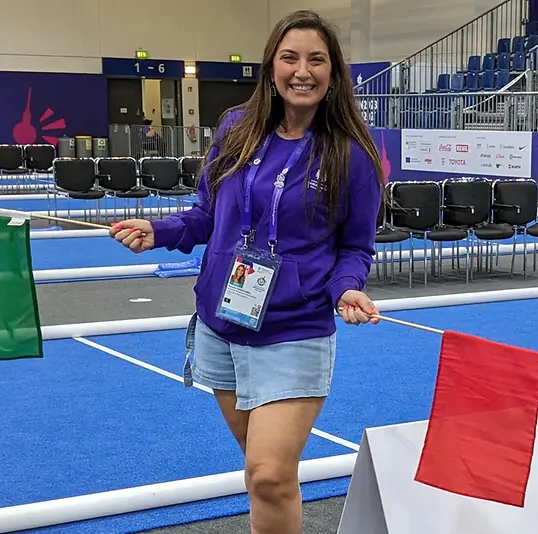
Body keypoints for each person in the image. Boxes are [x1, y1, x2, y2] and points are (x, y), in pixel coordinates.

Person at [109, 10, 385, 534]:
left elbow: (355, 247)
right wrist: (160, 231)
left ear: (334, 73)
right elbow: (207, 214)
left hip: (294, 328)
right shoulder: (237, 128)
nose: (302, 71)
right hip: (223, 321)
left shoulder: (353, 154)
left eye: (316, 60)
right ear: (271, 67)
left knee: (269, 475)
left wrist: (348, 289)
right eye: (290, 57)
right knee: (261, 469)